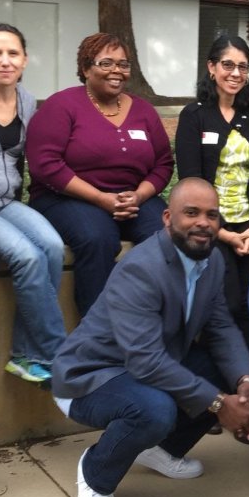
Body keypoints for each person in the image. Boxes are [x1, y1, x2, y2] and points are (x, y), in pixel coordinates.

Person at [50, 178, 249, 497]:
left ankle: (162, 450)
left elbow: (221, 327)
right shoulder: (141, 268)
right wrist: (217, 404)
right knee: (154, 410)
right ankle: (95, 475)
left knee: (241, 374)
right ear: (167, 218)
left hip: (151, 365)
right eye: (191, 213)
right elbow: (145, 361)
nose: (203, 223)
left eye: (212, 215)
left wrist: (243, 383)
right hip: (90, 377)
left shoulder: (211, 260)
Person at [26, 33, 174, 317]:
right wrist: (99, 198)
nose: (116, 71)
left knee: (166, 235)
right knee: (98, 238)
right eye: (106, 63)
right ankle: (95, 335)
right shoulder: (62, 105)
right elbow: (45, 165)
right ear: (85, 68)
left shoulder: (143, 111)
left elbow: (163, 163)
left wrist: (140, 194)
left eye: (123, 64)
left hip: (133, 197)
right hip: (68, 197)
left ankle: (147, 318)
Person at [0, 23, 66, 384]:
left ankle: (25, 356)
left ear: (24, 60)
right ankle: (57, 354)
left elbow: (26, 157)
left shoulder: (27, 101)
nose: (5, 61)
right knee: (26, 256)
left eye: (13, 54)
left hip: (7, 200)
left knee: (52, 246)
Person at [175, 35, 249, 341]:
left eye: (243, 67)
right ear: (211, 67)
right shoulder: (195, 116)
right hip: (209, 228)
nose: (236, 73)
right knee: (226, 304)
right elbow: (190, 180)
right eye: (228, 65)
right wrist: (224, 234)